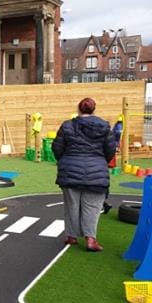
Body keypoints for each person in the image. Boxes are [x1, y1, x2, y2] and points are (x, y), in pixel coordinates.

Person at [52, 97, 116, 252]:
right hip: (97, 172)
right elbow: (110, 150)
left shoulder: (67, 126)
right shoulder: (104, 126)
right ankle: (90, 239)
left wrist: (65, 161)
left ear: (79, 109)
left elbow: (57, 147)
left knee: (71, 205)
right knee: (93, 207)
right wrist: (100, 162)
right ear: (94, 109)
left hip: (70, 170)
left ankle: (71, 236)